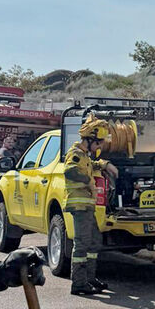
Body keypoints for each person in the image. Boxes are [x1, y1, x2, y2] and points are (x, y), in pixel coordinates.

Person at [64, 117, 117, 296]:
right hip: (79, 205)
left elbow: (90, 164)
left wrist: (104, 164)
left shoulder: (85, 156)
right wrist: (88, 180)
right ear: (89, 139)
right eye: (98, 143)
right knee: (82, 244)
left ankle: (90, 278)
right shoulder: (76, 154)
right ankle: (78, 283)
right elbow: (70, 170)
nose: (99, 146)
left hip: (87, 206)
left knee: (94, 241)